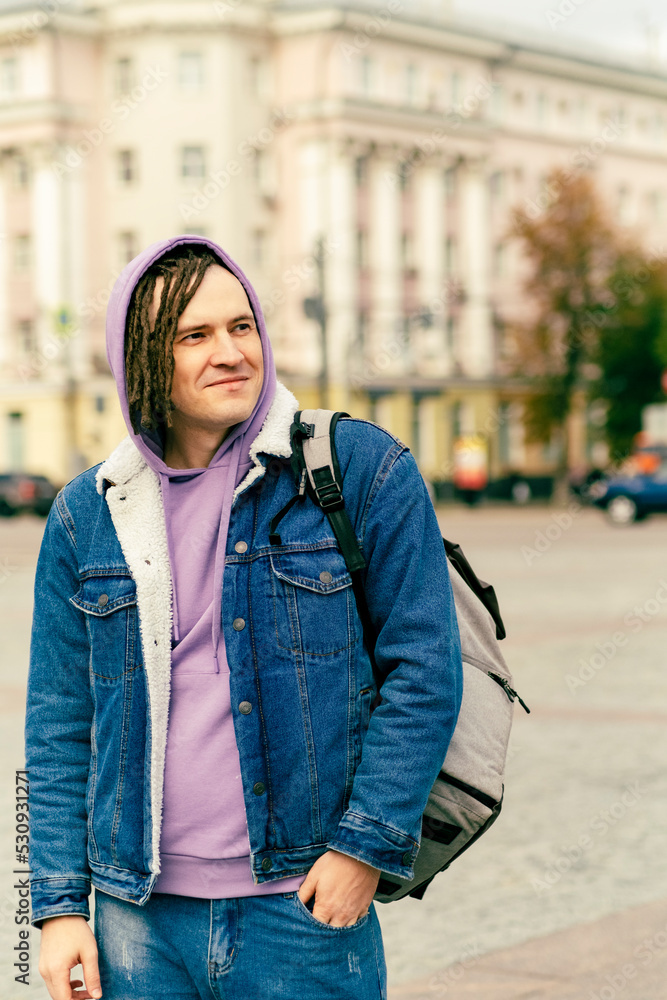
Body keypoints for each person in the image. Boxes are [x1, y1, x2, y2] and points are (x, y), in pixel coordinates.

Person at [26, 236, 463, 1000]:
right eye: (194, 336)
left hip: (299, 908)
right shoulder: (85, 515)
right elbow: (59, 722)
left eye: (241, 326)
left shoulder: (355, 469)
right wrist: (57, 909)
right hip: (137, 918)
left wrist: (362, 850)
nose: (229, 352)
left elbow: (424, 669)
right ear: (141, 362)